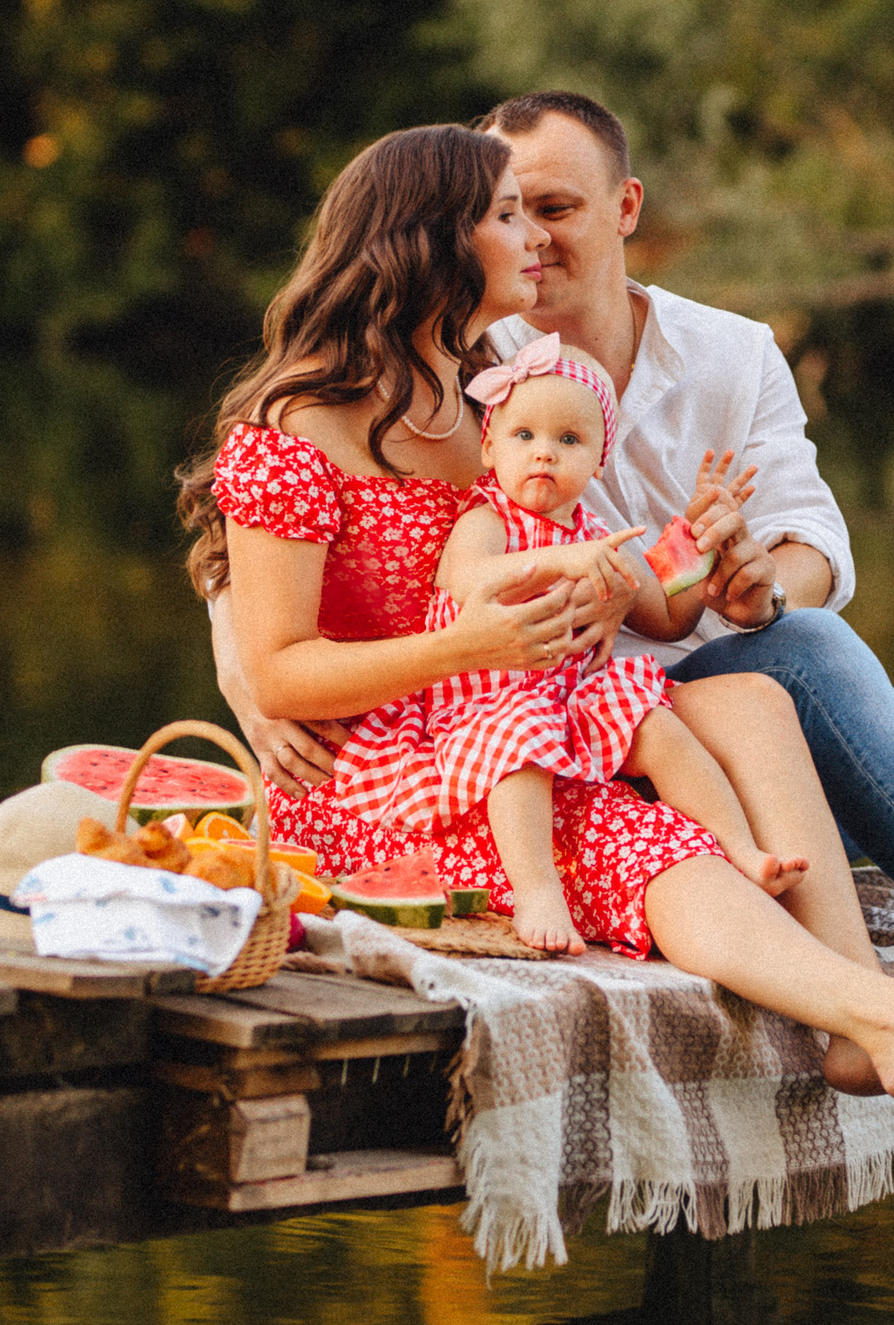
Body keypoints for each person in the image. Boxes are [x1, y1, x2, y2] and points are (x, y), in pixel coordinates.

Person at [181, 122, 894, 1107]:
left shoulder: (494, 395)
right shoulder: (299, 427)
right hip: (384, 770)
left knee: (713, 758)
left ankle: (871, 1019)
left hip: (522, 716)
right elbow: (279, 666)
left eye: (544, 210)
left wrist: (685, 554)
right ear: (433, 241)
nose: (532, 236)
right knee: (646, 829)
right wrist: (465, 643)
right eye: (504, 215)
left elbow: (589, 551)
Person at [323, 330, 806, 953]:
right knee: (518, 747)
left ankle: (739, 848)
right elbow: (465, 581)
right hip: (481, 703)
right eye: (525, 437)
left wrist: (695, 536)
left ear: (598, 460)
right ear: (490, 445)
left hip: (569, 694)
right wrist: (561, 562)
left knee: (658, 726)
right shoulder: (487, 517)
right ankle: (537, 890)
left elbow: (665, 614)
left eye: (568, 440)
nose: (544, 455)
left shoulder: (594, 530)